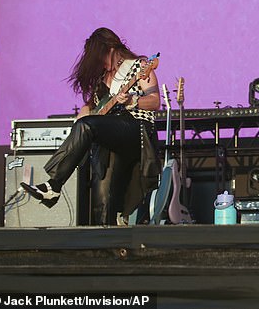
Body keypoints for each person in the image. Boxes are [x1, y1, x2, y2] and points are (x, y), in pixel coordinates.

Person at [21, 27, 161, 225]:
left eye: (100, 57)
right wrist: (83, 115)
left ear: (111, 49)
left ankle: (53, 185)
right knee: (103, 203)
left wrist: (131, 100)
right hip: (110, 136)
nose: (100, 63)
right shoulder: (101, 80)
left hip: (135, 130)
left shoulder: (139, 66)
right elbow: (92, 110)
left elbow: (155, 102)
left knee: (87, 126)